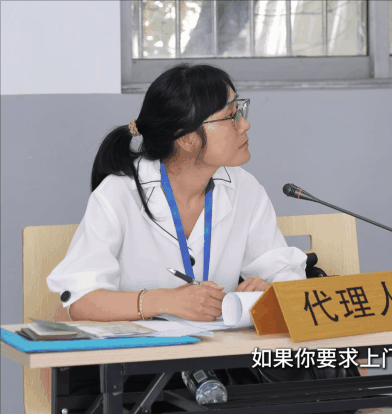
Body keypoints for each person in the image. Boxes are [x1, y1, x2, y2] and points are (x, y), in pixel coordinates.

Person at [47, 63, 307, 387]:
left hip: (221, 363)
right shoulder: (118, 194)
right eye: (231, 116)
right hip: (137, 372)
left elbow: (285, 273)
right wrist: (167, 300)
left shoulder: (245, 189)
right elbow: (80, 301)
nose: (245, 124)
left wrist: (270, 293)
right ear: (186, 139)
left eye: (240, 110)